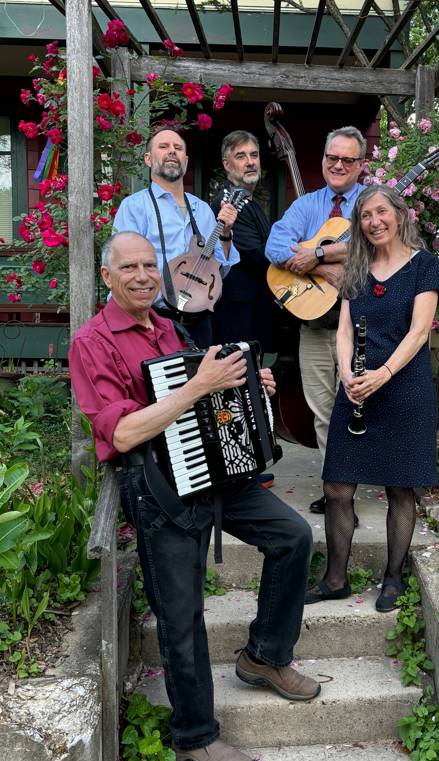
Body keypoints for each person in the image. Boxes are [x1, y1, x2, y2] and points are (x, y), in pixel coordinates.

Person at [69, 231, 318, 761]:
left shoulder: (167, 326)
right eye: (127, 267)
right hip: (157, 489)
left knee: (293, 536)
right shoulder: (92, 342)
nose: (141, 275)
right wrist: (199, 386)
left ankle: (264, 655)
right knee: (182, 617)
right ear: (106, 277)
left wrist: (250, 384)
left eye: (148, 265)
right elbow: (126, 432)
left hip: (212, 472)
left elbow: (210, 397)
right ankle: (194, 738)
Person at [304, 185, 439, 612]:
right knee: (337, 486)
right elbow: (344, 330)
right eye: (365, 216)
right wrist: (346, 373)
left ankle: (394, 578)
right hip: (358, 389)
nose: (374, 221)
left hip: (403, 388)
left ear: (400, 215)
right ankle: (335, 579)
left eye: (381, 212)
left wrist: (381, 374)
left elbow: (419, 332)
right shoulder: (357, 269)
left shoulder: (424, 265)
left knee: (401, 489)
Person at [265, 126, 366, 516]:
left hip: (361, 327)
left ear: (361, 164)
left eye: (347, 159)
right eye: (331, 158)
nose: (338, 165)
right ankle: (336, 492)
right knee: (323, 412)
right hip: (315, 325)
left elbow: (375, 241)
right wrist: (323, 272)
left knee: (357, 411)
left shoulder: (371, 203)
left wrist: (319, 255)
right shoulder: (307, 206)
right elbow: (275, 245)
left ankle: (349, 490)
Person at [113, 127, 240, 348]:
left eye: (178, 148)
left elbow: (220, 271)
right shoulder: (134, 207)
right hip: (151, 319)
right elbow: (123, 268)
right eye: (163, 147)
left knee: (201, 382)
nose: (172, 151)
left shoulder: (202, 210)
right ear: (148, 159)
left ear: (186, 160)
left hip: (199, 323)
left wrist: (226, 233)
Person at [211, 130, 274, 353]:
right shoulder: (227, 203)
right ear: (227, 165)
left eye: (254, 155)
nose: (250, 162)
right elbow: (257, 255)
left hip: (252, 308)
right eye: (241, 156)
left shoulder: (249, 201)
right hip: (236, 313)